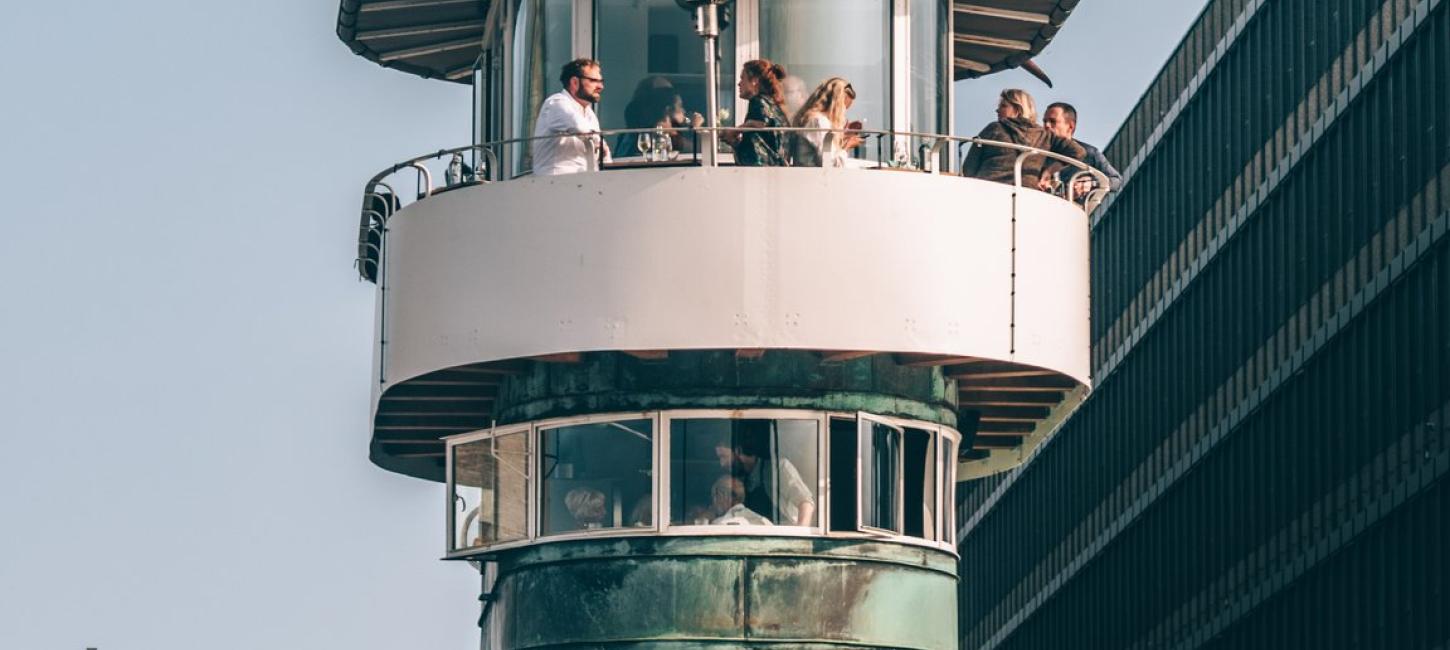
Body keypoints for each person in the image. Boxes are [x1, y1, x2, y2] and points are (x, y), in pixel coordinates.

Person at [961, 89, 1085, 189]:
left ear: (1018, 109)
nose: (997, 110)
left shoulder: (994, 128)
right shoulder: (1045, 136)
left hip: (989, 190)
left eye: (1003, 106)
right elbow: (1078, 152)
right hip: (1027, 195)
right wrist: (1049, 172)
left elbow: (968, 169)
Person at [713, 422, 816, 526]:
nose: (722, 463)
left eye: (724, 456)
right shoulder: (741, 480)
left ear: (738, 451)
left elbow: (806, 503)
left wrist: (799, 538)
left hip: (783, 539)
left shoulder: (779, 468)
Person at [532, 58, 612, 176]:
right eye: (594, 80)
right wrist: (600, 142)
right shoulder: (556, 102)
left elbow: (602, 151)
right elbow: (580, 127)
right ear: (575, 82)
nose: (601, 86)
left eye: (601, 81)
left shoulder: (589, 113)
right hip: (554, 184)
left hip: (584, 183)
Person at [1042, 101, 1123, 197]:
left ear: (1071, 126)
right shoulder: (1036, 153)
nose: (1046, 125)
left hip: (1076, 210)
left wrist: (1091, 184)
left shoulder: (1090, 153)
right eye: (1044, 121)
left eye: (1052, 121)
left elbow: (1117, 181)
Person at [722, 59, 790, 166]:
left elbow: (761, 124)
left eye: (742, 78)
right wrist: (734, 142)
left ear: (754, 80)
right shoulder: (773, 104)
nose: (739, 84)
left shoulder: (759, 101)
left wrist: (736, 130)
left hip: (763, 173)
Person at [791, 77, 864, 167]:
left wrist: (842, 137)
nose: (844, 113)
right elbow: (830, 164)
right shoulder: (819, 122)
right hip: (813, 178)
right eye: (844, 107)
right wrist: (847, 146)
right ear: (837, 104)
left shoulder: (816, 120)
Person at [709, 475, 773, 526]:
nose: (713, 504)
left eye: (714, 497)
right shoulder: (765, 522)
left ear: (722, 496)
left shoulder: (719, 525)